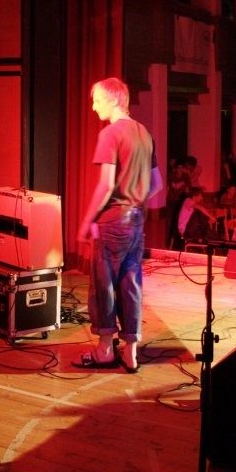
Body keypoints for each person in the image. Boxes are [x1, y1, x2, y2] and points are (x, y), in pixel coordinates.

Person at [74, 77, 162, 374]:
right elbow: (157, 184)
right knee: (131, 283)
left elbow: (105, 185)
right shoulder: (144, 133)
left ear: (113, 100)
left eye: (96, 100)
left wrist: (87, 220)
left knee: (104, 285)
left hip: (112, 222)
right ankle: (131, 353)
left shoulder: (111, 133)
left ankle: (104, 350)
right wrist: (133, 199)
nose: (93, 106)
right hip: (136, 220)